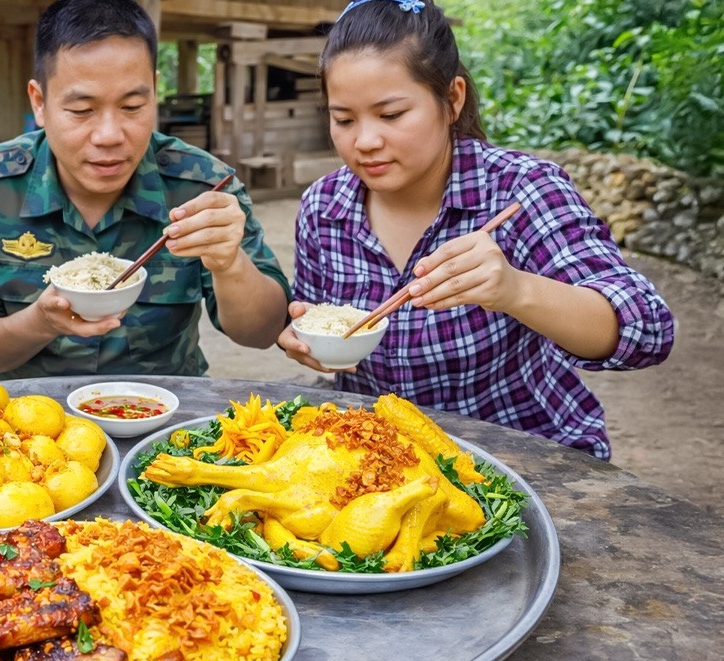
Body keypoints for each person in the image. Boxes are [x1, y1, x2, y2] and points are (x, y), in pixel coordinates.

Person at [277, 0, 675, 459]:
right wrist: (307, 339)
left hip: (529, 461)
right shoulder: (324, 206)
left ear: (452, 99)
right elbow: (315, 317)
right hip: (387, 462)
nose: (365, 141)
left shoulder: (520, 190)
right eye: (344, 119)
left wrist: (515, 290)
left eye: (391, 115)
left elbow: (648, 328)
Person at [0, 0, 291, 380]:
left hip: (162, 408)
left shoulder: (203, 186)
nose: (109, 136)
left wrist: (229, 264)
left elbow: (264, 332)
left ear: (154, 91)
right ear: (39, 103)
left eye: (132, 106)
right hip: (22, 412)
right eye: (82, 110)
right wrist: (40, 322)